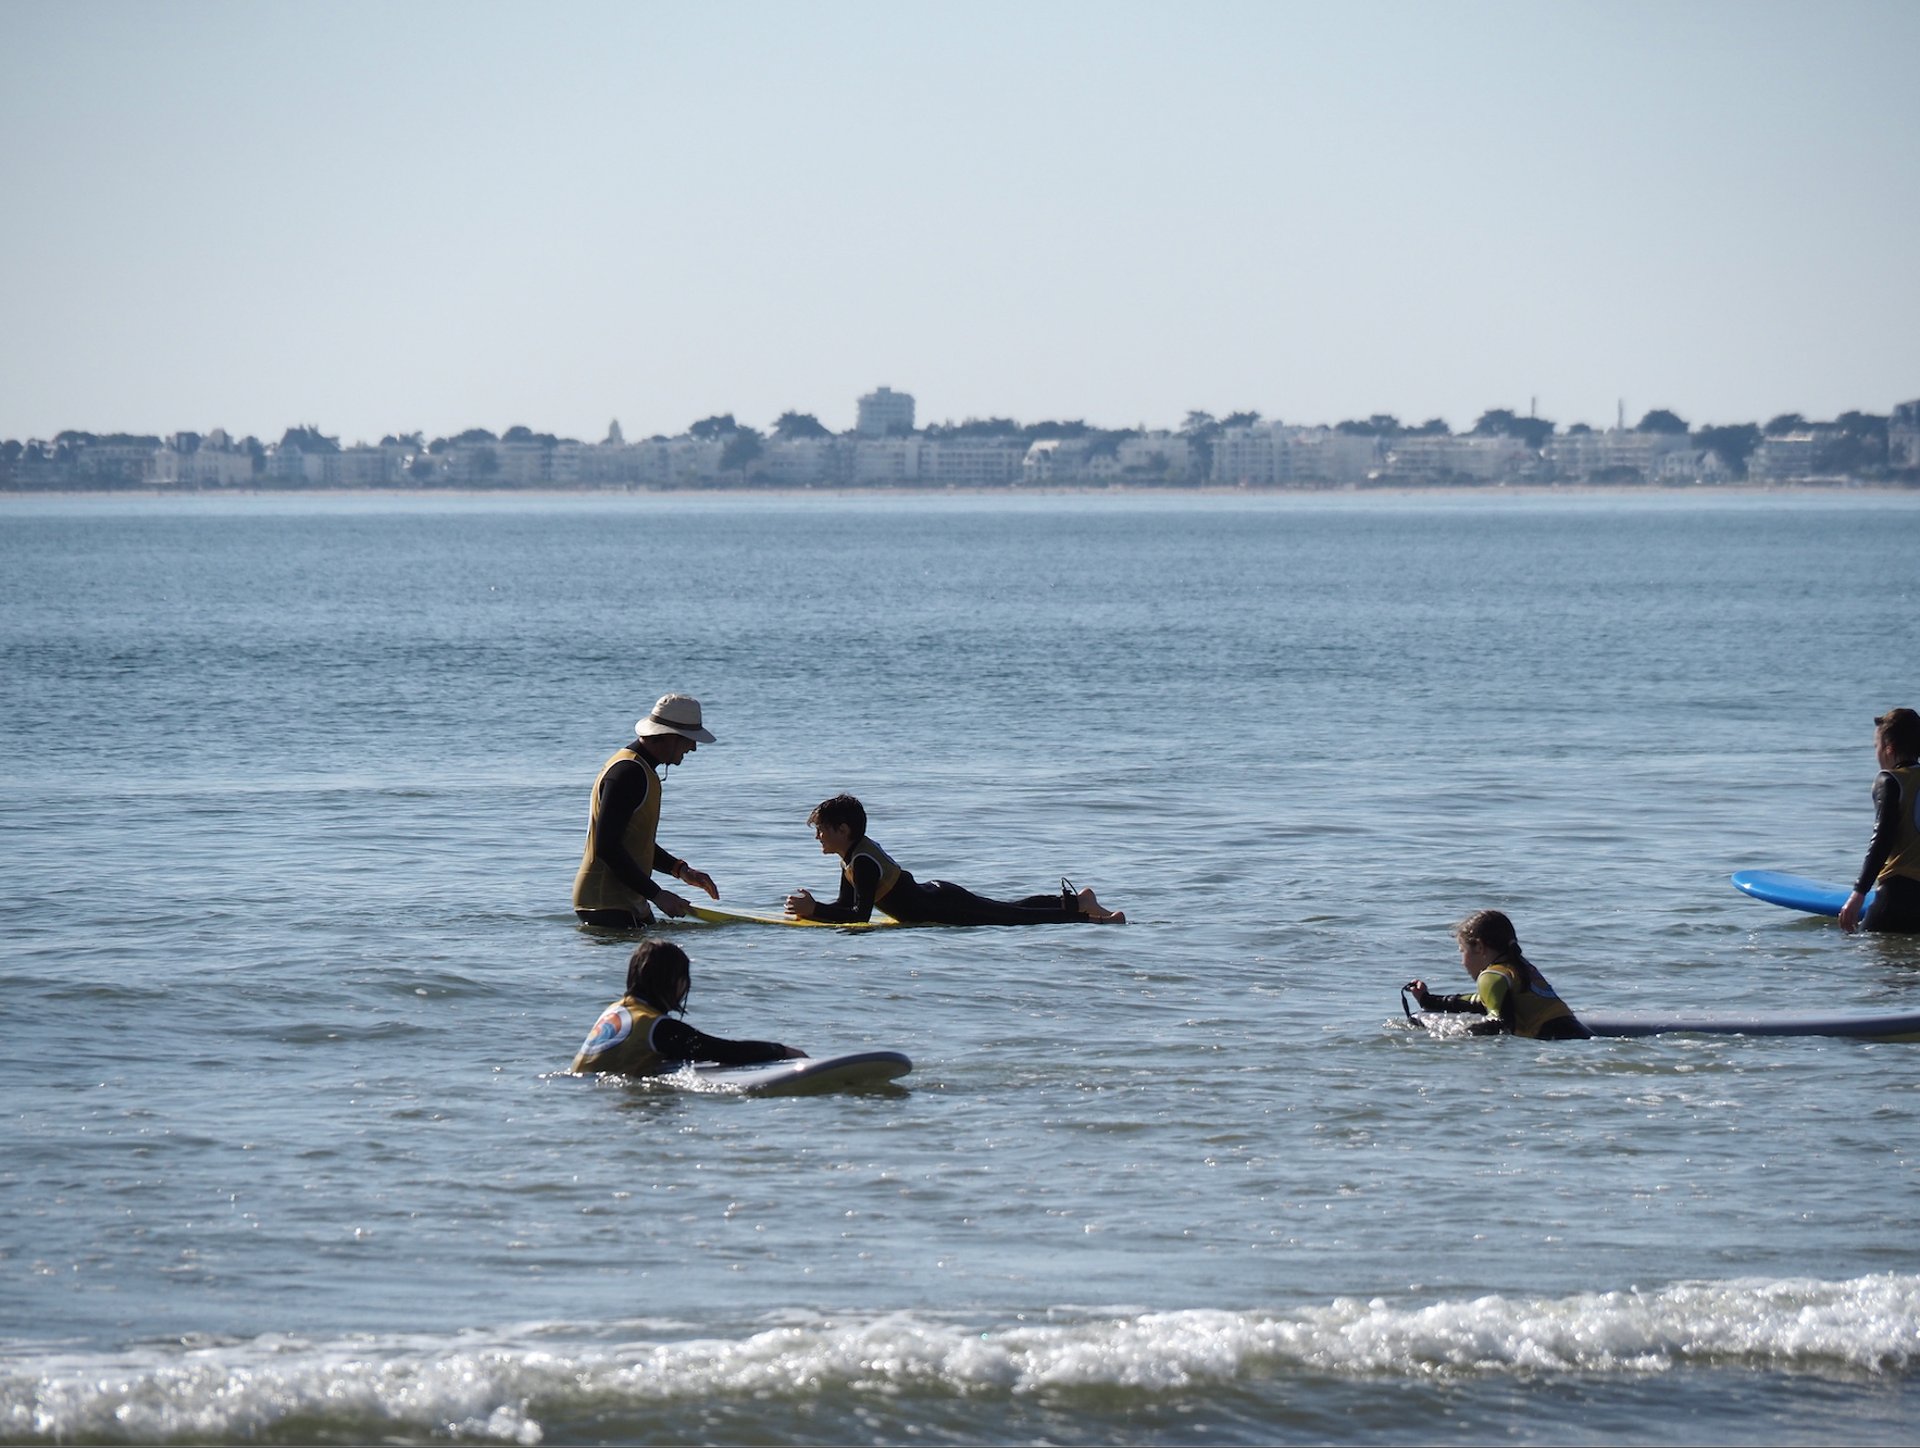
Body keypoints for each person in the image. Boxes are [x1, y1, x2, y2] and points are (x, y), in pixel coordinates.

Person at [784, 792, 1125, 926]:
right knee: (1010, 907)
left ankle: (1099, 921)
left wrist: (815, 911)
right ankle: (1079, 901)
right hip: (939, 897)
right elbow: (848, 906)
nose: (818, 837)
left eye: (822, 830)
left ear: (843, 829)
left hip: (943, 906)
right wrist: (817, 909)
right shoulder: (851, 858)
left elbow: (859, 917)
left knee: (1015, 917)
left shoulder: (862, 862)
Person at [572, 693, 721, 928]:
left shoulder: (641, 770)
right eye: (688, 739)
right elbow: (606, 846)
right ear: (666, 736)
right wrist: (657, 895)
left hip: (625, 902)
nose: (693, 747)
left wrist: (680, 870)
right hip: (604, 904)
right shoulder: (628, 773)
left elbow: (634, 842)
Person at [569, 939, 805, 1075]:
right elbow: (724, 1051)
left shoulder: (616, 1009)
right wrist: (781, 1051)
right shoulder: (657, 1027)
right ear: (676, 982)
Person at [1404, 909, 1591, 1040]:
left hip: (1554, 1039)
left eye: (1462, 951)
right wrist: (1428, 1000)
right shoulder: (1520, 967)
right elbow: (1480, 1001)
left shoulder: (1490, 976)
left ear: (1479, 947)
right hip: (1576, 1033)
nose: (1462, 960)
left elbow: (1499, 1023)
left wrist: (1452, 1034)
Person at [1839, 707, 1920, 934]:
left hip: (1897, 897)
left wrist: (1858, 893)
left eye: (1876, 747)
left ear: (1889, 748)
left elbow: (1882, 839)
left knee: (1868, 963)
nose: (1876, 753)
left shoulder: (1890, 780)